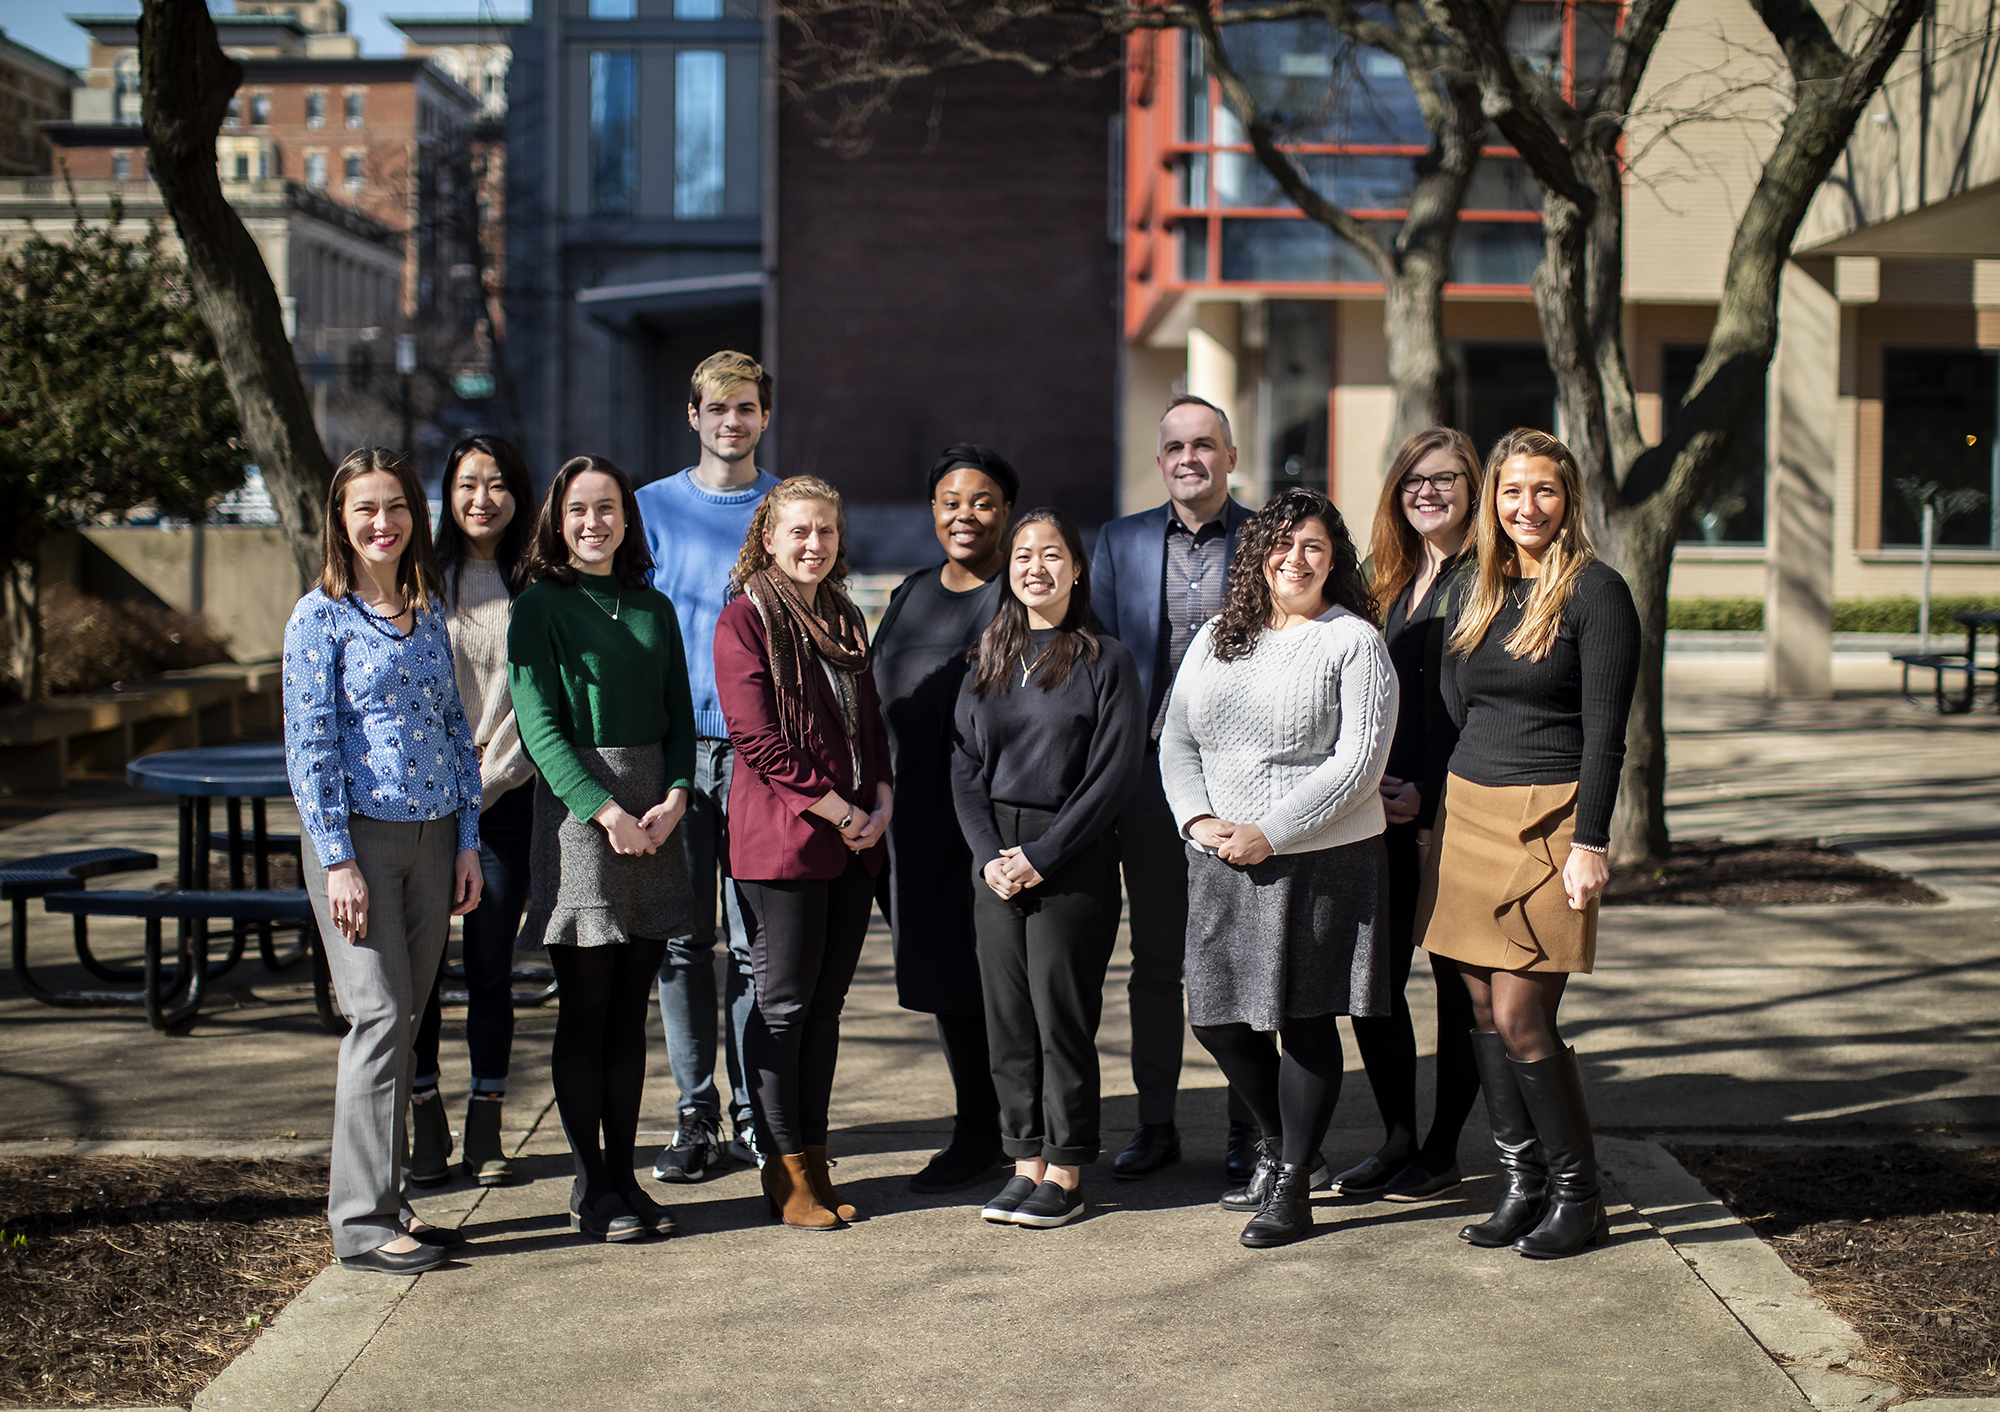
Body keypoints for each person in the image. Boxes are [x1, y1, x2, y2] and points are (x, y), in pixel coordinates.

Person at [1420, 427, 1641, 1260]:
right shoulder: (1473, 586)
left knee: (1520, 1013)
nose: (1527, 507)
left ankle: (1581, 1198)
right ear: (1494, 501)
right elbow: (1454, 699)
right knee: (1477, 1006)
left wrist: (1591, 840)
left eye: (1543, 491)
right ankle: (1524, 1186)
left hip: (1552, 820)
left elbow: (1607, 733)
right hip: (1470, 811)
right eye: (1513, 492)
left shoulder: (1596, 592)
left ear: (1568, 499)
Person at [1159, 488, 1396, 1247]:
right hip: (1220, 855)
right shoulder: (1217, 639)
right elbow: (1176, 741)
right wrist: (1197, 820)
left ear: (1334, 561)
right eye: (1283, 544)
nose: (1296, 560)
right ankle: (1283, 1141)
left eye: (1315, 548)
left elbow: (1358, 764)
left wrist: (1272, 830)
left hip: (1320, 860)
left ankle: (1291, 1183)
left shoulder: (1351, 642)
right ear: (1258, 553)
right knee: (1218, 1016)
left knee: (1303, 1018)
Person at [284, 447, 484, 1275]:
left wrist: (468, 838)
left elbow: (452, 728)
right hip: (356, 843)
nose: (382, 523)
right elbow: (310, 746)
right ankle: (360, 1224)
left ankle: (393, 1201)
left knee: (404, 1022)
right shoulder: (318, 618)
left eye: (396, 506)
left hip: (435, 840)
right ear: (340, 519)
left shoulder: (427, 609)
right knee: (375, 1016)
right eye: (365, 508)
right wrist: (337, 861)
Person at [509, 455, 696, 1243]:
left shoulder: (652, 605)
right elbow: (539, 725)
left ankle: (626, 1176)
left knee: (630, 1014)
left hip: (656, 815)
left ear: (628, 517)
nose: (595, 523)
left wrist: (677, 797)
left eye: (609, 508)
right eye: (579, 510)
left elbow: (681, 716)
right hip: (582, 820)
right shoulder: (540, 606)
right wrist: (603, 811)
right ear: (558, 519)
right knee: (586, 1010)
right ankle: (590, 1186)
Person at [954, 509, 1143, 1230]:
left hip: (1072, 854)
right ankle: (1023, 1160)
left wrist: (1041, 857)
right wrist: (988, 859)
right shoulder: (987, 657)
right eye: (1024, 554)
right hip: (995, 855)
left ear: (1077, 568)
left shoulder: (1106, 661)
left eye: (1052, 554)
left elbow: (1113, 775)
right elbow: (963, 765)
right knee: (1007, 1018)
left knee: (1060, 1016)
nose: (1037, 567)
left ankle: (1065, 1170)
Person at [714, 475, 893, 1231]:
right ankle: (782, 1173)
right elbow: (757, 737)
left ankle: (814, 1163)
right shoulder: (745, 618)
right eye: (798, 532)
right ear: (768, 537)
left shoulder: (846, 616)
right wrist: (842, 807)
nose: (813, 544)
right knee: (782, 1009)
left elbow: (869, 721)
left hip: (852, 845)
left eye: (825, 531)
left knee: (825, 1011)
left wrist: (880, 799)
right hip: (782, 844)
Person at [1089, 394, 1258, 1182]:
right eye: (1175, 448)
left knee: (1242, 961)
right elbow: (1090, 657)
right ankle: (1155, 1122)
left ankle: (1248, 1128)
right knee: (1156, 960)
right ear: (1159, 462)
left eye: (1204, 445)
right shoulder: (1119, 542)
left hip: (1246, 786)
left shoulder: (1270, 538)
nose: (1189, 458)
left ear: (1229, 456)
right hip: (1148, 782)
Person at [635, 351, 780, 1182]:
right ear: (693, 415)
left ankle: (760, 1117)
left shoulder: (786, 507)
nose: (733, 421)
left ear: (764, 418)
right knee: (684, 943)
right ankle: (696, 1113)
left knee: (756, 945)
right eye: (718, 408)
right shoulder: (652, 509)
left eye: (748, 409)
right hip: (678, 752)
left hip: (762, 754)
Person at [1331, 428, 1486, 1203]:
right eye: (1414, 481)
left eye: (1446, 478)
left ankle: (1443, 1147)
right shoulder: (1379, 581)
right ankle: (1396, 1136)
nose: (1428, 492)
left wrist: (1430, 787)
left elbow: (1489, 710)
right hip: (1375, 816)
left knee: (1458, 986)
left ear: (1473, 487)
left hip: (1456, 813)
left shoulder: (1493, 579)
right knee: (1376, 982)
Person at [871, 445, 1017, 1192]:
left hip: (993, 821)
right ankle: (976, 1129)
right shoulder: (909, 592)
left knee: (1002, 980)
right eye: (951, 501)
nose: (966, 514)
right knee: (945, 980)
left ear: (1007, 513)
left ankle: (1024, 1129)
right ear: (933, 512)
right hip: (910, 822)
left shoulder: (1019, 597)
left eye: (983, 500)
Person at [408, 434, 537, 1191]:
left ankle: (487, 1122)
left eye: (495, 484)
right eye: (466, 485)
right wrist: (450, 786)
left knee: (490, 970)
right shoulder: (425, 579)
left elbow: (540, 701)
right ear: (447, 495)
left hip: (506, 804)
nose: (481, 499)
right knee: (422, 973)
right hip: (425, 808)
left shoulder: (537, 582)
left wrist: (485, 782)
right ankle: (427, 1119)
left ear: (517, 494)